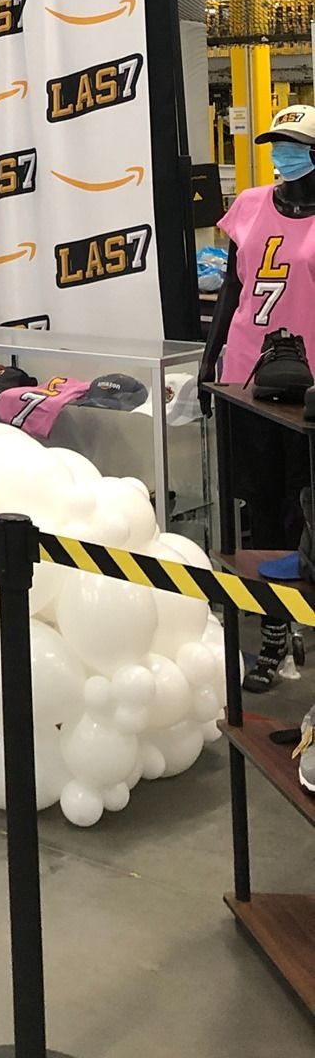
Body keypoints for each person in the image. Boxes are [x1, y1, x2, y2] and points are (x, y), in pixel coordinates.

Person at [202, 103, 315, 690]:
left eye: (293, 144)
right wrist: (208, 359)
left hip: (312, 390)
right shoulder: (249, 204)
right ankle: (275, 628)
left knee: (306, 506)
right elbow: (232, 290)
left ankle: (300, 613)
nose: (281, 155)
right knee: (261, 503)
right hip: (247, 377)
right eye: (276, 143)